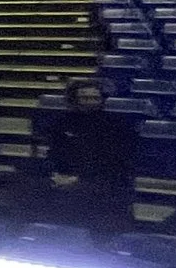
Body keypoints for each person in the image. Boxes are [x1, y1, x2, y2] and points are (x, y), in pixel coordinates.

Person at [46, 77, 138, 233]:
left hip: (102, 180)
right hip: (66, 177)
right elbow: (55, 153)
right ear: (75, 99)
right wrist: (55, 174)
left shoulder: (116, 125)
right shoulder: (61, 122)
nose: (90, 102)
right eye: (85, 98)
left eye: (95, 98)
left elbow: (116, 161)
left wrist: (79, 179)